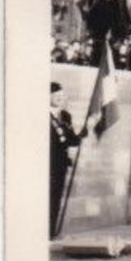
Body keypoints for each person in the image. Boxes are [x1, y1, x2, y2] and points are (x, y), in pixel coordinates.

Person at [49, 81, 83, 240]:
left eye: (61, 96)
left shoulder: (65, 116)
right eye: (55, 95)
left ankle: (50, 232)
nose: (59, 99)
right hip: (45, 165)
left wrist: (87, 128)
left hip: (60, 165)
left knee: (55, 198)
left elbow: (73, 140)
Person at [82, 0, 130, 67]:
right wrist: (92, 33)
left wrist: (120, 40)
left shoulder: (120, 1)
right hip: (98, 42)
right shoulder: (99, 1)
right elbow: (90, 19)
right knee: (95, 67)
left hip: (113, 42)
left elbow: (125, 22)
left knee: (110, 69)